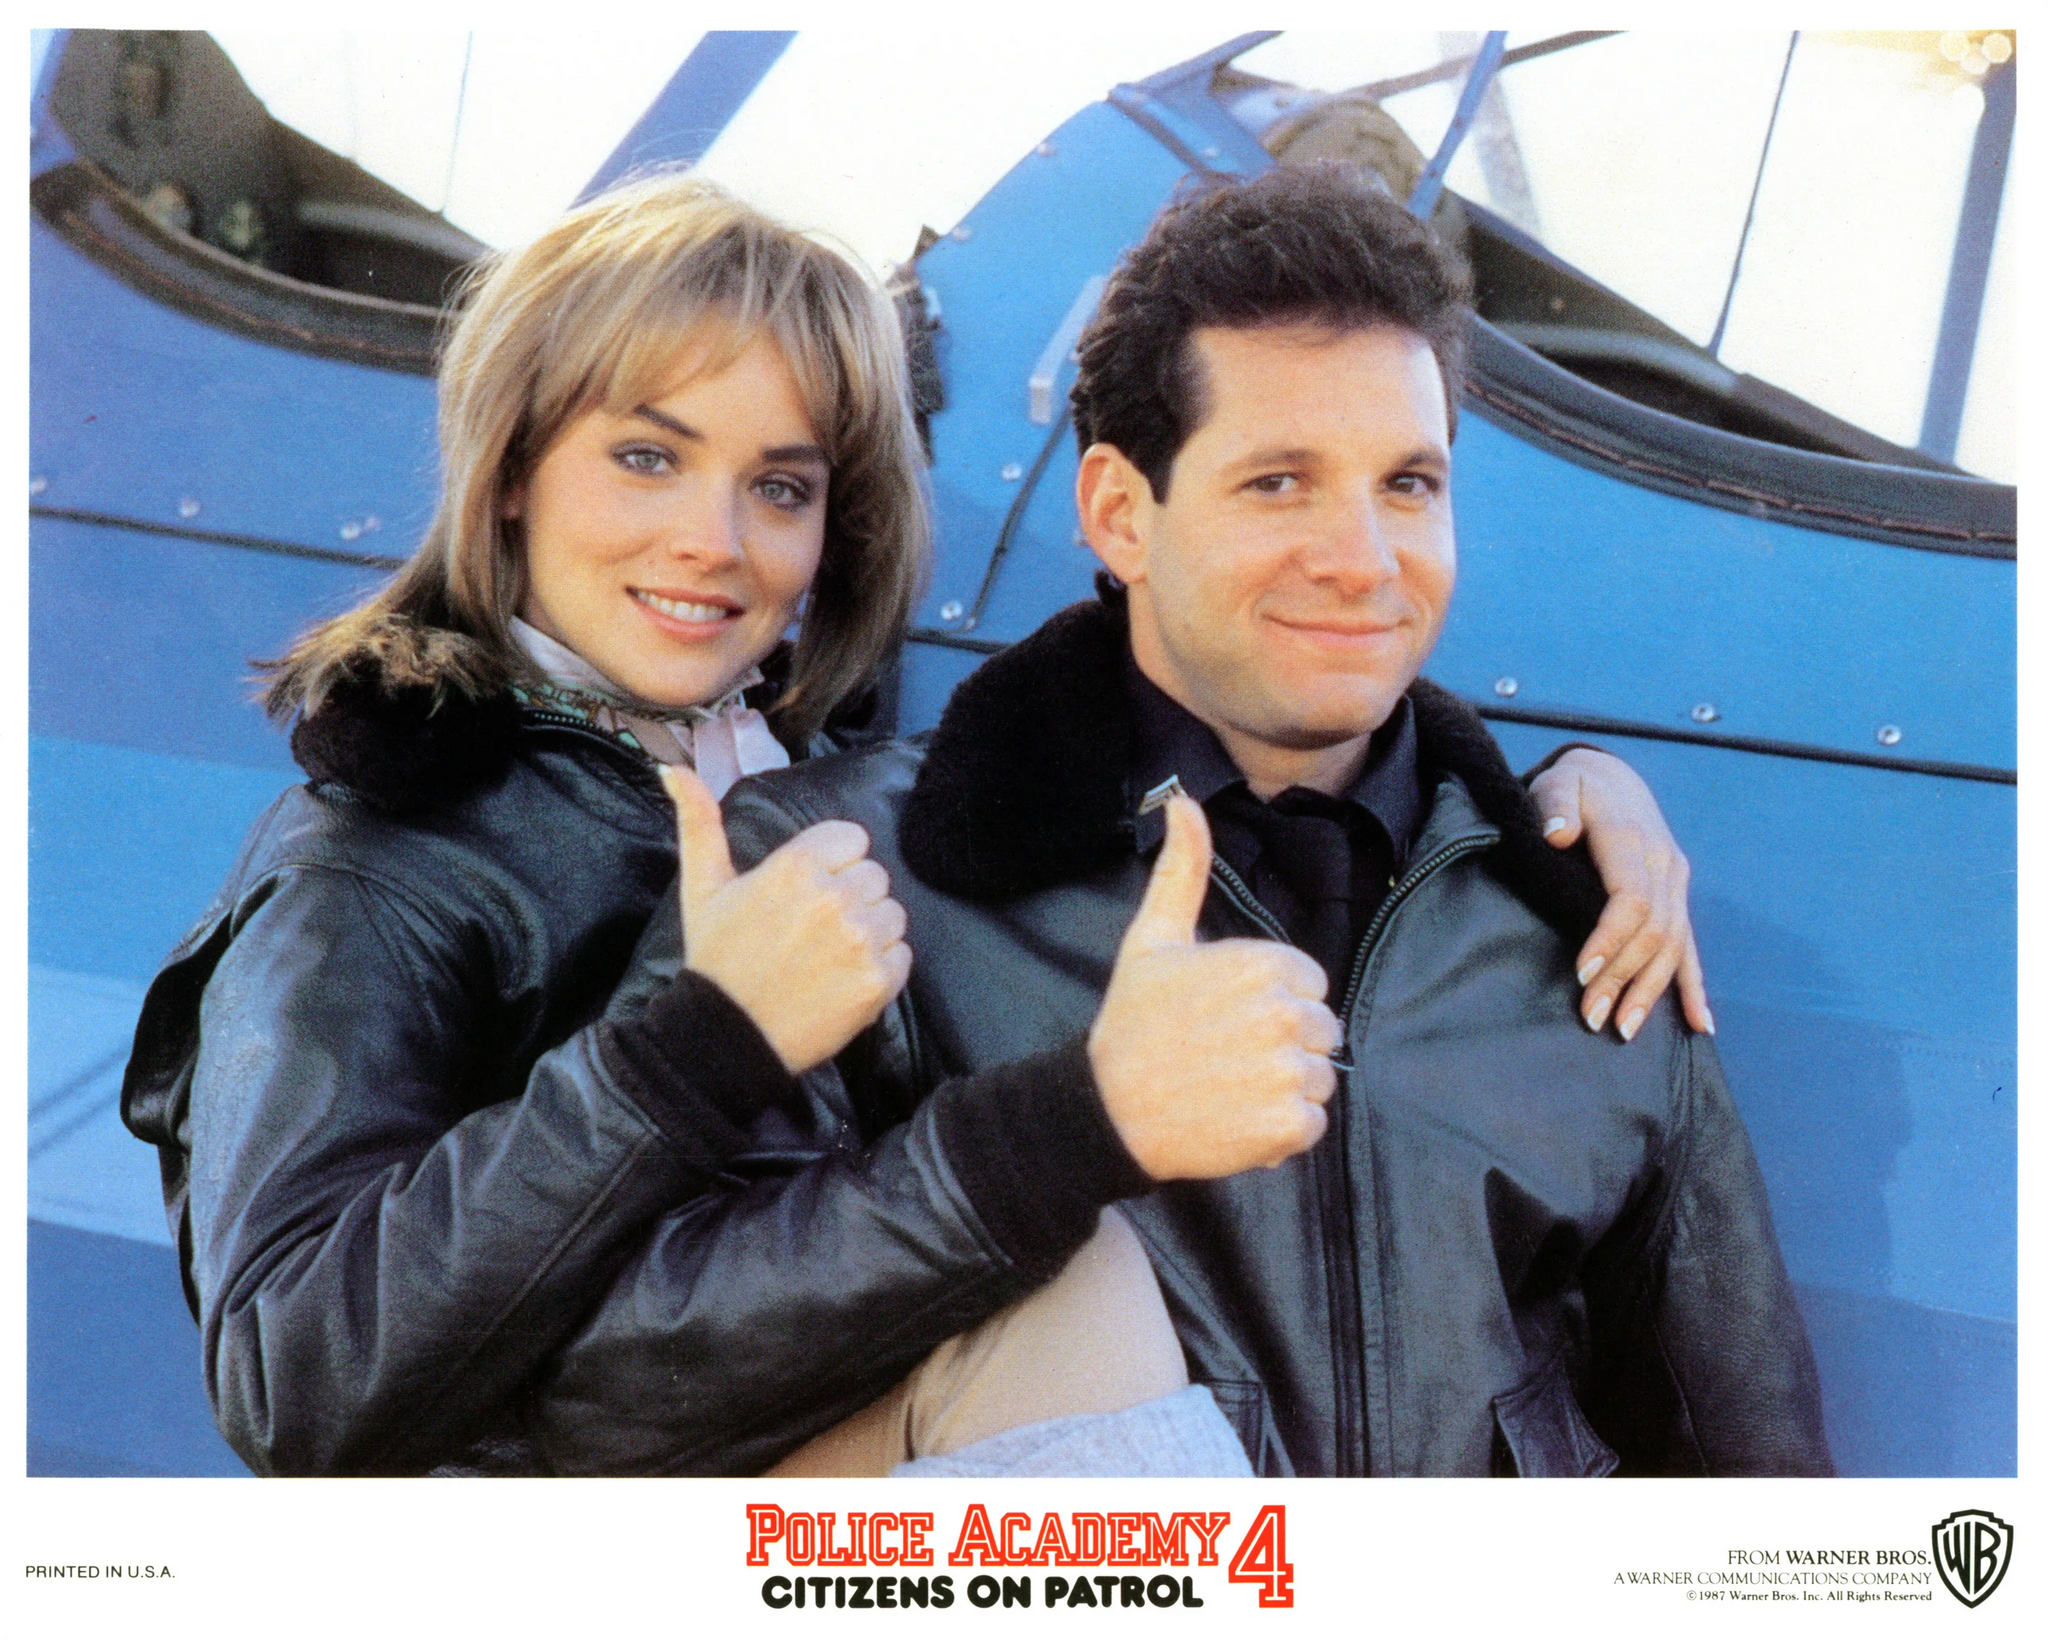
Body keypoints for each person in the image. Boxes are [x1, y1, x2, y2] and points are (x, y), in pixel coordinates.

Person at [122, 168, 1711, 1478]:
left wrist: (1531, 792)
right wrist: (700, 1045)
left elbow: (1275, 697)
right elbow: (293, 1384)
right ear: (513, 471)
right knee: (1064, 1283)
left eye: (782, 485)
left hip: (846, 1463)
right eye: (646, 456)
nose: (714, 539)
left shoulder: (809, 786)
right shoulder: (373, 859)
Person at [533, 163, 1830, 1477]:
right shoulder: (846, 874)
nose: (1363, 559)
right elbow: (598, 1390)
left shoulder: (1588, 915)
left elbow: (1763, 1498)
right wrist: (1054, 1139)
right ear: (1119, 514)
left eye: (1408, 485)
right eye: (1278, 483)